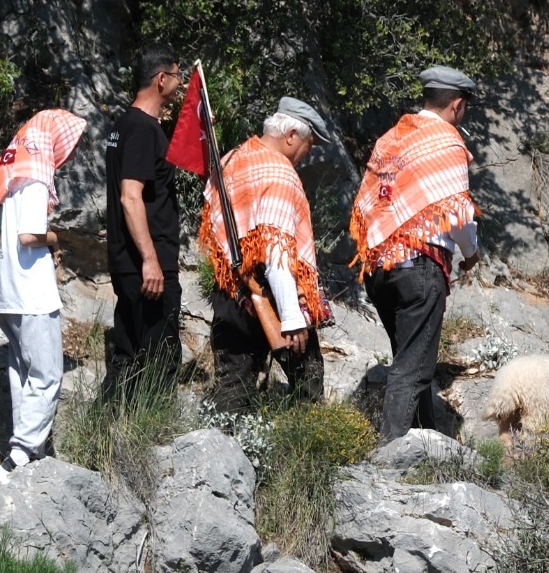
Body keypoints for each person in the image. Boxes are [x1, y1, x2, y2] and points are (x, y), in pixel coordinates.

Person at [352, 67, 481, 439]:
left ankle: (427, 440)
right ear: (456, 105)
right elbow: (456, 211)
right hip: (420, 267)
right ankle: (389, 455)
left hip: (379, 265)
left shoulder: (391, 138)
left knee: (413, 356)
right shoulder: (447, 142)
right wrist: (471, 251)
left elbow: (369, 203)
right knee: (412, 366)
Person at [203, 98, 334, 411]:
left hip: (230, 288)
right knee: (308, 382)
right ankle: (307, 452)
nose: (309, 153)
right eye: (309, 143)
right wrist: (291, 318)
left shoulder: (232, 158)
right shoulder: (279, 172)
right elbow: (276, 251)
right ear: (290, 135)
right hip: (271, 293)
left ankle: (218, 449)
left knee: (233, 380)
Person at [0, 108, 87, 468]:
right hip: (32, 293)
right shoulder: (36, 179)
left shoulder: (10, 178)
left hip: (8, 292)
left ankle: (27, 450)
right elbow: (30, 236)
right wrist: (57, 238)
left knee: (23, 373)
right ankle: (23, 453)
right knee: (47, 374)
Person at [105, 50, 187, 398]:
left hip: (130, 263)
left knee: (128, 355)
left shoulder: (125, 125)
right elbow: (130, 197)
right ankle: (153, 443)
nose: (181, 85)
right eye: (177, 76)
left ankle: (105, 438)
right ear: (161, 79)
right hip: (147, 267)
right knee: (159, 359)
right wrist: (151, 260)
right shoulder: (141, 128)